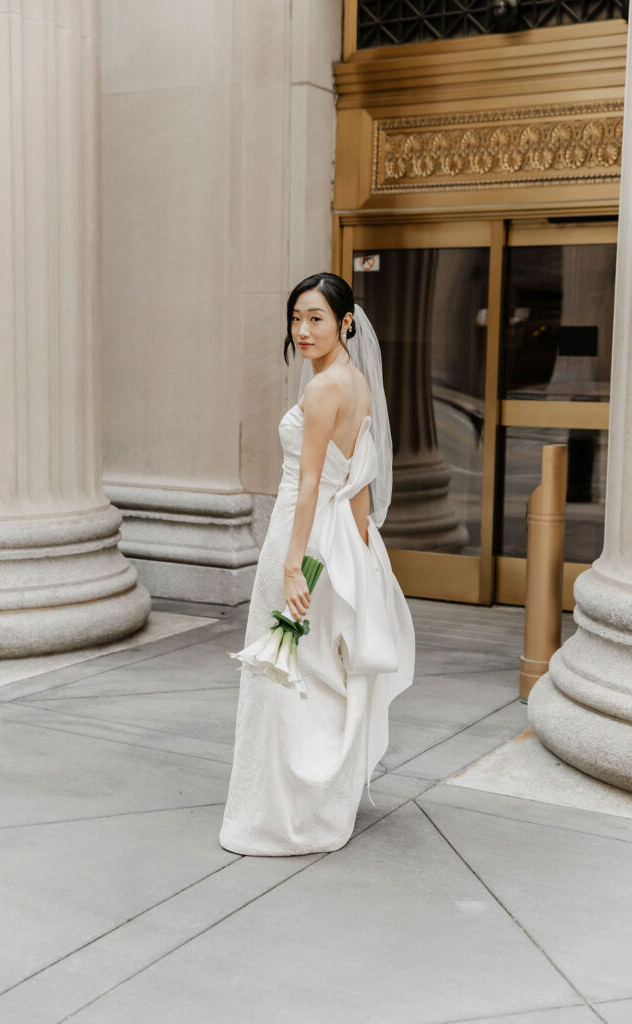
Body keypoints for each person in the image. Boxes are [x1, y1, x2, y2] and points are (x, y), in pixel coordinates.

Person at [219, 272, 415, 856]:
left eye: (317, 319)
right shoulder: (355, 382)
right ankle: (323, 796)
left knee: (285, 669)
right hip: (338, 540)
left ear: (345, 322)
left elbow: (309, 484)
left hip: (301, 537)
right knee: (320, 666)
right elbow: (361, 469)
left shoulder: (323, 389)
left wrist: (290, 565)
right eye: (297, 318)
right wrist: (360, 544)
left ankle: (283, 815)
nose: (303, 330)